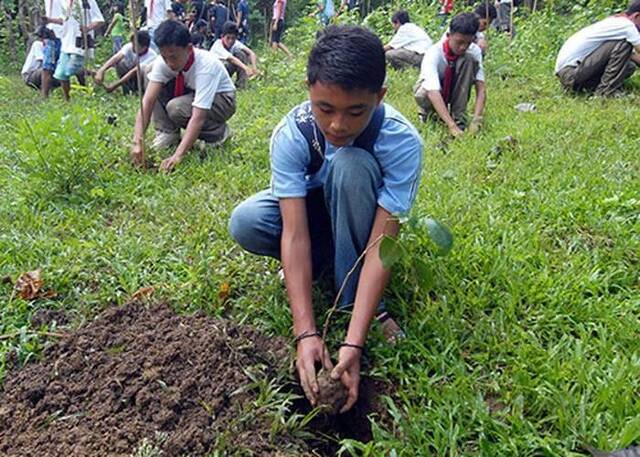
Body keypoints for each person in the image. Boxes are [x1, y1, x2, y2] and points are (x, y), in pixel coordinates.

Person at [229, 25, 422, 413]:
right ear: (309, 90)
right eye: (325, 108)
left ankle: (355, 301)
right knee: (246, 220)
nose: (338, 125)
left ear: (379, 97)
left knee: (351, 164)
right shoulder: (293, 133)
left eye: (355, 111)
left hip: (361, 216)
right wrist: (306, 333)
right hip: (315, 215)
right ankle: (327, 266)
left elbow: (383, 244)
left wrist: (353, 342)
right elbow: (294, 233)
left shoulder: (400, 141)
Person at [131, 20, 236, 172]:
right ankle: (168, 133)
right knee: (151, 73)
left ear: (188, 48)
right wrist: (137, 141)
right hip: (192, 93)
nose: (168, 63)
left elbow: (198, 116)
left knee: (176, 108)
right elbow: (147, 102)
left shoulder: (206, 66)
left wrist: (178, 155)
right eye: (164, 57)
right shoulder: (164, 62)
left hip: (222, 99)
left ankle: (218, 133)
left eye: (173, 57)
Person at [555, 0, 640, 97]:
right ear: (637, 16)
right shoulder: (626, 26)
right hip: (570, 73)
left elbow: (633, 56)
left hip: (570, 74)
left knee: (629, 66)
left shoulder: (616, 23)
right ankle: (606, 92)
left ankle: (586, 88)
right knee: (624, 45)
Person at [51, 0, 104, 101]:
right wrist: (49, 20)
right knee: (61, 74)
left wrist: (88, 28)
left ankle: (94, 73)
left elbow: (100, 20)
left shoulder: (87, 1)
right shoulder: (64, 2)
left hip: (80, 41)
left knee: (70, 69)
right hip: (66, 41)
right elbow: (63, 19)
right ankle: (67, 99)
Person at [210, 21, 257, 88]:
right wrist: (246, 68)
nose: (230, 41)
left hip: (226, 71)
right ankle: (221, 86)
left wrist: (254, 68)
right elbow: (231, 59)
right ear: (222, 36)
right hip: (214, 75)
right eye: (228, 38)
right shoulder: (217, 45)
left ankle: (241, 84)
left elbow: (251, 53)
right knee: (226, 63)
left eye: (233, 38)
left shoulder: (235, 44)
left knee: (240, 54)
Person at [40, 0, 64, 97]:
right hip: (51, 33)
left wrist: (50, 20)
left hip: (64, 35)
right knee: (47, 67)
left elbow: (67, 18)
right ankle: (44, 96)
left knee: (67, 67)